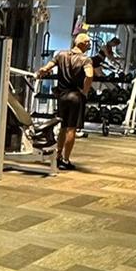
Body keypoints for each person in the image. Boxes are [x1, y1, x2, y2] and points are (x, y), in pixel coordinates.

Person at [37, 33, 94, 171]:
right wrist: (85, 91)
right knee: (71, 128)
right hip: (75, 96)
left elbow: (46, 68)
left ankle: (58, 156)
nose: (89, 44)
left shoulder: (61, 55)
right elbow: (89, 75)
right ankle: (66, 160)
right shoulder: (85, 60)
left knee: (63, 127)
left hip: (62, 96)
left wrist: (41, 72)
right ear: (83, 44)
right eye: (88, 42)